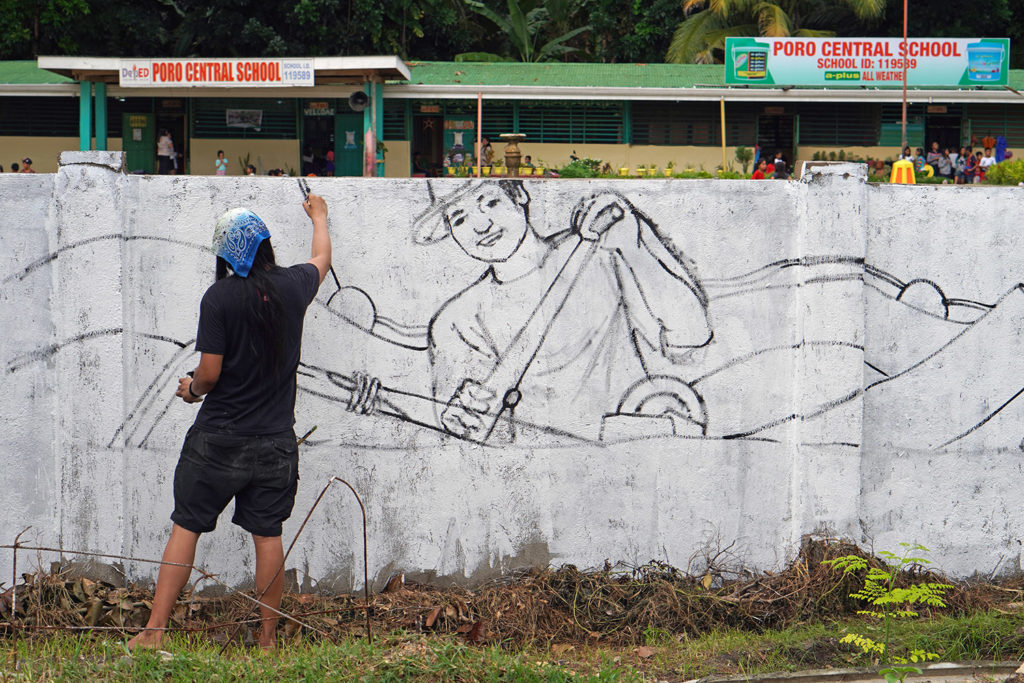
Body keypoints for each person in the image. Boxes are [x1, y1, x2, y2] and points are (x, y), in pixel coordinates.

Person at [127, 195, 333, 651]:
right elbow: (321, 257)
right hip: (276, 442)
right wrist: (319, 216)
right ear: (266, 246)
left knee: (187, 526)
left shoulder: (219, 297)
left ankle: (154, 633)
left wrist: (192, 389)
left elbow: (210, 373)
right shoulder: (295, 286)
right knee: (268, 537)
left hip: (217, 440)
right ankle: (267, 641)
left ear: (224, 253)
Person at [413, 179, 711, 442]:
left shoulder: (601, 246)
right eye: (459, 219)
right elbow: (476, 437)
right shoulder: (455, 321)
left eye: (490, 203)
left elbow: (692, 337)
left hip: (636, 455)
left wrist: (633, 248)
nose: (481, 225)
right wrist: (463, 421)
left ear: (518, 193)